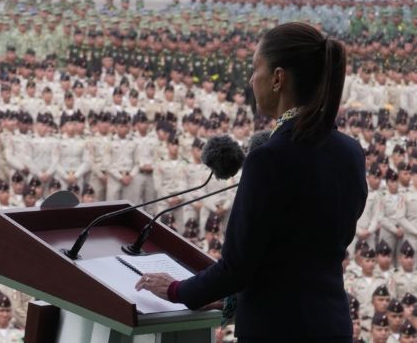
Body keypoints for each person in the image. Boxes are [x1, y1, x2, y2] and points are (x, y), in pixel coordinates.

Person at [136, 22, 367, 341]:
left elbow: (237, 267)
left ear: (278, 78)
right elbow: (302, 256)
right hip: (332, 324)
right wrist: (235, 300)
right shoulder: (351, 151)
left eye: (255, 67)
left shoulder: (269, 158)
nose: (250, 79)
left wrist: (176, 289)